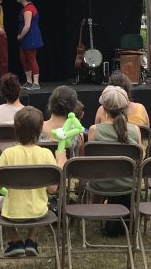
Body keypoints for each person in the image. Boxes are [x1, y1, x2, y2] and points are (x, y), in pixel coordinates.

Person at [0, 106, 66, 257]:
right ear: (39, 131)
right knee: (40, 200)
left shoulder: (8, 154)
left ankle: (16, 241)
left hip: (12, 212)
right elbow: (52, 189)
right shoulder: (46, 154)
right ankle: (31, 239)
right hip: (39, 212)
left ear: (16, 130)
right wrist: (60, 164)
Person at [86, 85, 142, 216]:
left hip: (101, 184)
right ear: (125, 107)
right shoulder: (135, 130)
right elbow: (140, 159)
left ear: (104, 108)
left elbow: (89, 161)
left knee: (98, 175)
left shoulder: (94, 130)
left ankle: (94, 209)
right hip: (128, 184)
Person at [41, 85, 84, 156]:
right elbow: (78, 160)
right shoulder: (77, 133)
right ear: (73, 109)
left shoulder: (36, 129)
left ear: (50, 105)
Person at [16, 0, 43, 89]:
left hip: (30, 37)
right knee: (23, 59)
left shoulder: (28, 9)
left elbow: (27, 26)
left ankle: (36, 83)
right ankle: (29, 81)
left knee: (31, 58)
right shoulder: (25, 8)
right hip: (26, 38)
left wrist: (20, 36)